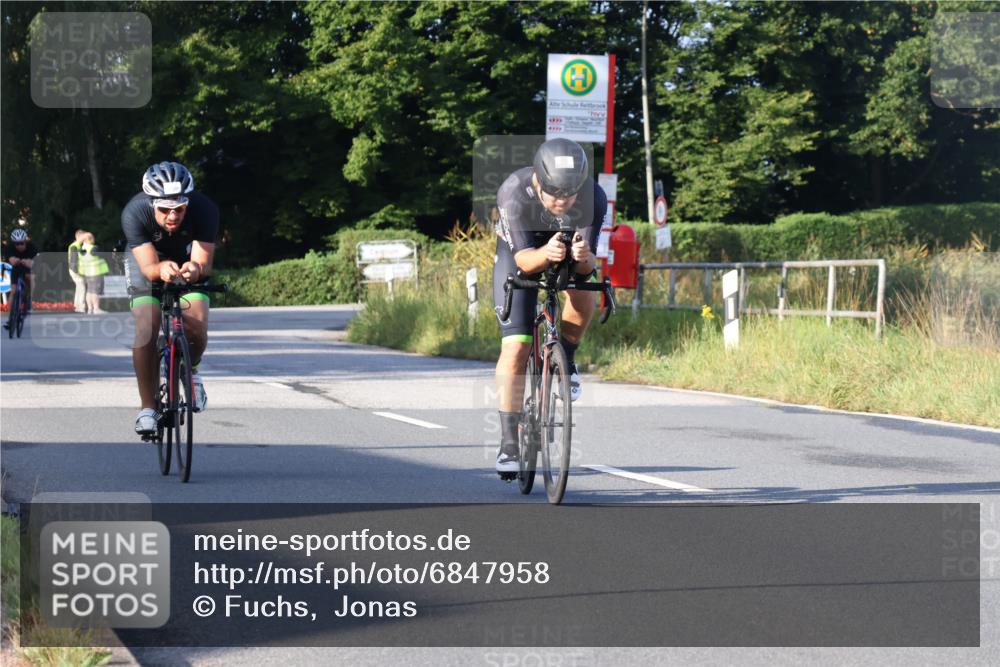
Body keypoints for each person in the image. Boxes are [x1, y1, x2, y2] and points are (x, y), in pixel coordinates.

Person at [491, 138, 607, 474]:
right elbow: (526, 260)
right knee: (517, 346)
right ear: (538, 182)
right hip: (519, 254)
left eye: (569, 194)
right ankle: (509, 443)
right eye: (554, 192)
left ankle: (566, 358)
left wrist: (584, 258)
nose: (562, 200)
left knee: (585, 293)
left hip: (567, 249)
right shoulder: (513, 191)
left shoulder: (593, 196)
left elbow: (586, 267)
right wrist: (547, 255)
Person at [121, 161, 219, 435]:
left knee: (196, 327)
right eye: (164, 209)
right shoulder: (135, 212)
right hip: (148, 262)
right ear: (152, 204)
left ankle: (192, 371)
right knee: (147, 328)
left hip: (186, 260)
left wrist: (195, 269)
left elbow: (203, 262)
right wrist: (160, 269)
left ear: (188, 203)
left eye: (179, 209)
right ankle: (148, 408)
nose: (172, 216)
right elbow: (150, 268)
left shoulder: (205, 210)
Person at [3, 228, 38, 328]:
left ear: (25, 242)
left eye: (21, 243)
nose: (19, 246)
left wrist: (30, 263)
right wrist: (13, 260)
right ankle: (10, 319)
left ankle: (29, 298)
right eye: (16, 244)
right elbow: (10, 259)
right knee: (13, 291)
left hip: (28, 268)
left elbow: (35, 263)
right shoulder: (10, 248)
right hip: (16, 268)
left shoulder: (32, 247)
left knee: (30, 277)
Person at [78, 232, 109, 314]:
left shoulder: (81, 249)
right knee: (95, 291)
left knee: (89, 291)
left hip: (87, 273)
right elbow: (104, 256)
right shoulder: (94, 248)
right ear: (90, 239)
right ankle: (96, 308)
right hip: (96, 272)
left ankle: (90, 308)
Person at [68, 229, 87, 313]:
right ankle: (81, 307)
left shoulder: (76, 245)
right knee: (82, 288)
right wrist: (76, 271)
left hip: (75, 270)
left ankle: (77, 306)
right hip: (76, 270)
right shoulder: (75, 246)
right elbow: (73, 259)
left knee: (79, 288)